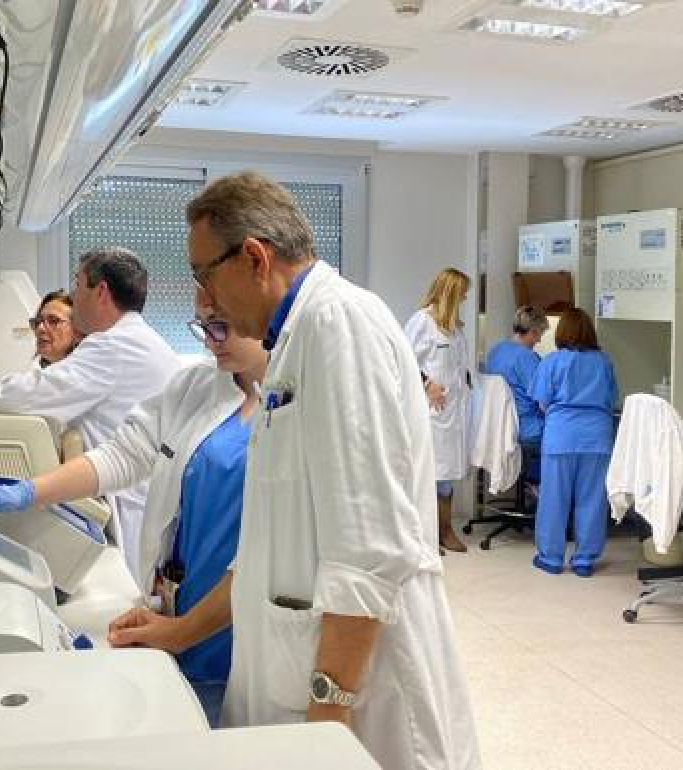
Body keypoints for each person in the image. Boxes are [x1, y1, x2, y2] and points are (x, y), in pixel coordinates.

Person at [106, 171, 480, 770]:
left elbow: (368, 554)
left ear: (253, 258)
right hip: (292, 690)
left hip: (356, 713)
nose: (203, 299)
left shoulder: (339, 326)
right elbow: (265, 554)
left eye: (204, 276)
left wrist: (324, 730)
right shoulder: (291, 347)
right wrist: (177, 633)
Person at [0, 296, 263, 726]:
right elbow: (122, 456)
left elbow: (263, 559)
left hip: (238, 631)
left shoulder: (289, 408)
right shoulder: (198, 385)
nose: (210, 342)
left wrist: (181, 633)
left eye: (220, 326)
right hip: (180, 609)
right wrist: (26, 492)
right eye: (201, 327)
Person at [0, 247, 180, 573]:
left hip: (132, 505)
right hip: (138, 497)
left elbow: (37, 392)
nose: (74, 296)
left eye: (77, 284)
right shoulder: (134, 340)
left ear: (100, 291)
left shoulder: (113, 345)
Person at [529, 307, 618, 578]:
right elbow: (611, 400)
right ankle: (584, 559)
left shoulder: (552, 362)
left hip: (562, 437)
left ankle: (551, 557)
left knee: (554, 498)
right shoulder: (604, 362)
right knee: (592, 499)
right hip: (597, 438)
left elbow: (542, 402)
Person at [404, 269, 472, 553]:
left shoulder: (454, 327)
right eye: (463, 293)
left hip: (452, 413)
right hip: (429, 412)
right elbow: (402, 359)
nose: (466, 298)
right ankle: (424, 537)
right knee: (427, 474)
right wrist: (427, 383)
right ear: (450, 293)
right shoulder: (422, 322)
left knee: (446, 475)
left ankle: (445, 530)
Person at [484, 305, 550, 485]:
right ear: (533, 331)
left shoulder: (495, 351)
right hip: (526, 429)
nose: (538, 341)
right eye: (540, 334)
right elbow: (544, 401)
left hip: (498, 427)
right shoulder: (528, 358)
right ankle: (540, 488)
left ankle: (533, 487)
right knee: (566, 436)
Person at [30, 289, 82, 367]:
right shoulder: (36, 375)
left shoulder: (86, 375)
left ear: (77, 330)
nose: (40, 328)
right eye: (38, 321)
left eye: (53, 321)